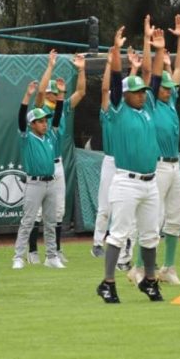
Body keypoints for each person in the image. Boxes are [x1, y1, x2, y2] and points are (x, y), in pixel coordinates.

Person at [96, 67, 164, 304]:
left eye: (142, 92)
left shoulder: (147, 110)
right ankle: (108, 283)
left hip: (150, 182)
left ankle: (150, 280)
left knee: (150, 236)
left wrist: (154, 48)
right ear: (124, 94)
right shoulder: (118, 110)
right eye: (136, 92)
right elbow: (114, 81)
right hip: (126, 181)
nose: (142, 95)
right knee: (118, 234)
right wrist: (115, 51)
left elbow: (154, 78)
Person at [133, 21, 180, 285]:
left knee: (175, 218)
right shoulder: (152, 101)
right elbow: (149, 73)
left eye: (169, 88)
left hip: (175, 166)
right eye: (164, 87)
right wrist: (155, 48)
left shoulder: (171, 99)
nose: (168, 90)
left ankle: (169, 267)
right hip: (158, 166)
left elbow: (177, 68)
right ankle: (139, 267)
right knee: (153, 220)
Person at [26, 50, 87, 264]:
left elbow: (80, 92)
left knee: (58, 210)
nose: (58, 94)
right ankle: (32, 251)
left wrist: (81, 70)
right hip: (39, 165)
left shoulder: (64, 106)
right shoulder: (41, 109)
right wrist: (50, 66)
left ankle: (56, 250)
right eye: (56, 92)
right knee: (36, 214)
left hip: (57, 164)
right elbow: (40, 92)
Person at [12, 81, 65, 269]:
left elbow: (57, 118)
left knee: (50, 222)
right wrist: (27, 96)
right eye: (41, 121)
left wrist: (61, 96)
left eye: (45, 121)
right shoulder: (26, 138)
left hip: (51, 183)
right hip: (34, 184)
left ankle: (51, 257)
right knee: (28, 221)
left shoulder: (50, 136)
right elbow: (20, 118)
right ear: (32, 124)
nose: (45, 124)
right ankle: (18, 257)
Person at [91, 27, 128, 259]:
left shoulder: (127, 112)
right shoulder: (109, 112)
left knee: (123, 207)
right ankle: (97, 242)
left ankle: (124, 244)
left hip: (126, 163)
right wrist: (109, 62)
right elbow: (106, 89)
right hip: (110, 161)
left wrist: (131, 67)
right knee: (105, 205)